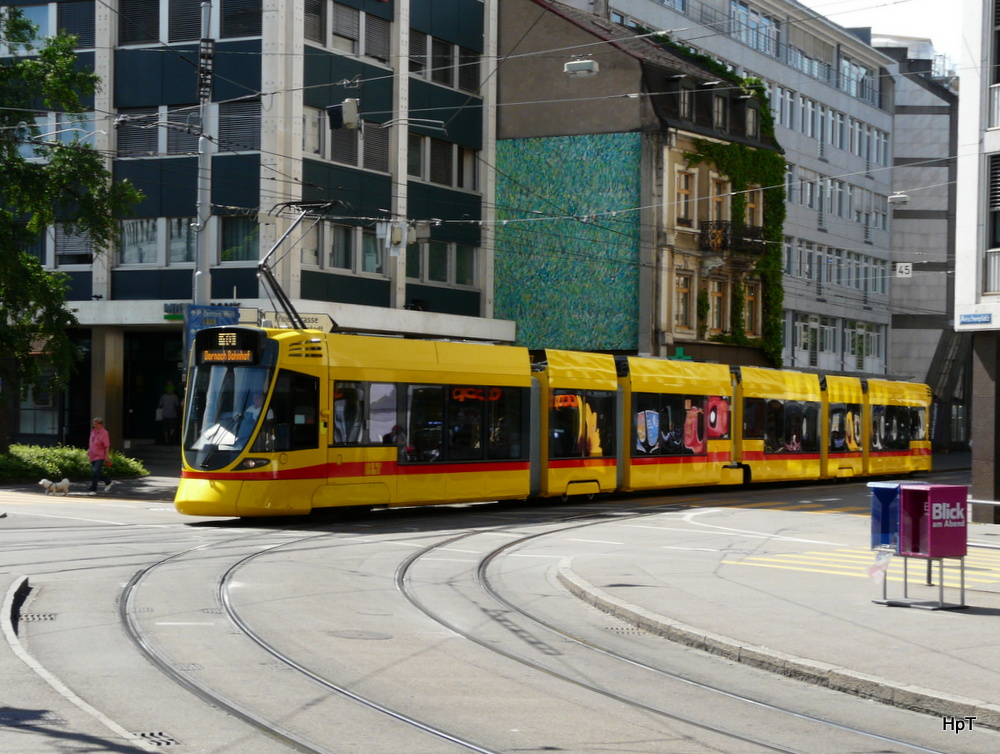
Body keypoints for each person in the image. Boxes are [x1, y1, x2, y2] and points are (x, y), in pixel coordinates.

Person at [88, 417, 115, 495]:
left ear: (100, 424)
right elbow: (91, 442)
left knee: (95, 472)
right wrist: (89, 450)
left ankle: (93, 489)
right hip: (92, 455)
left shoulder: (104, 433)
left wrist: (107, 456)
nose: (94, 425)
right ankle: (108, 481)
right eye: (94, 424)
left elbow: (106, 445)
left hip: (100, 455)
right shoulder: (93, 431)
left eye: (95, 424)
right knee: (96, 472)